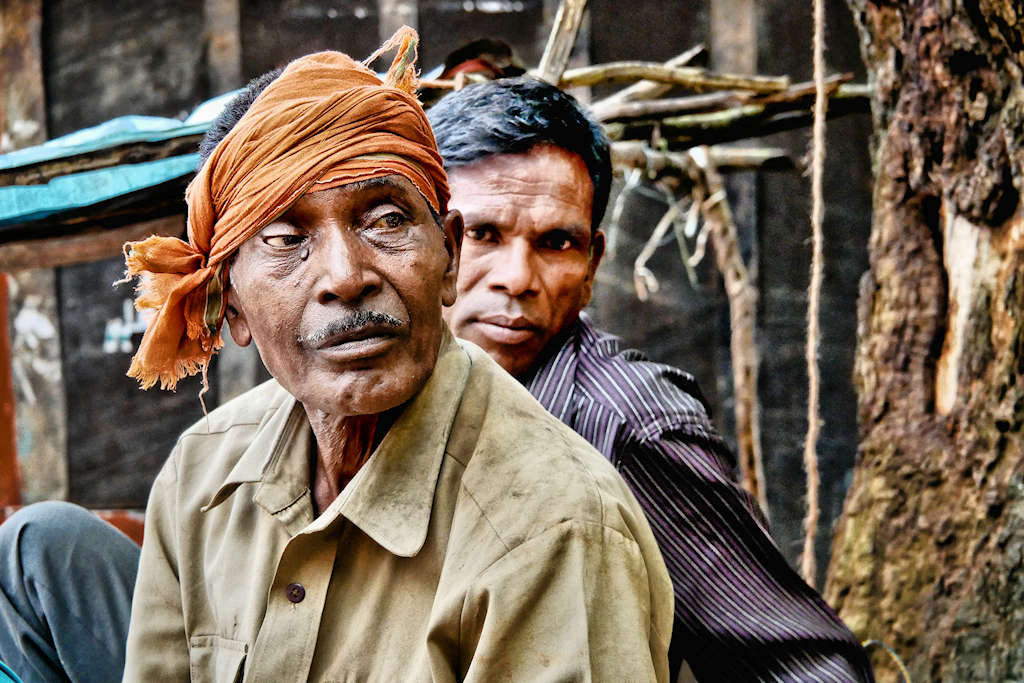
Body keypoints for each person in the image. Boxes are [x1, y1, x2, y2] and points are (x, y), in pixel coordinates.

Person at [0, 32, 675, 682]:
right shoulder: (203, 476)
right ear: (227, 303)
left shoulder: (555, 529)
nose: (345, 275)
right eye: (287, 236)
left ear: (449, 257)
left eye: (386, 219)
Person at [428, 77, 875, 682]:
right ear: (428, 243)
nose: (517, 277)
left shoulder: (630, 426)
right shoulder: (380, 398)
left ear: (591, 267)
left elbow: (809, 671)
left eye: (557, 243)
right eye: (483, 234)